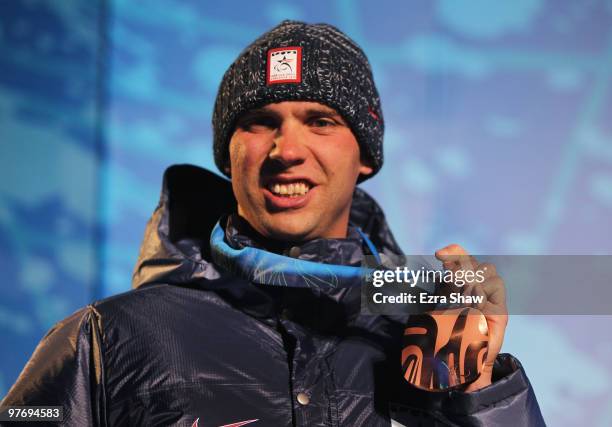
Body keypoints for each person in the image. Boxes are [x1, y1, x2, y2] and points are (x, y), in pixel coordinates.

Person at [1, 21, 545, 426]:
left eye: (321, 121)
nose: (287, 150)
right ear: (227, 154)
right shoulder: (109, 337)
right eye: (260, 123)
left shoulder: (421, 340)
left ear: (366, 157)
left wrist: (475, 393)